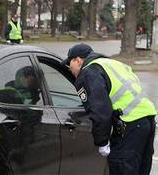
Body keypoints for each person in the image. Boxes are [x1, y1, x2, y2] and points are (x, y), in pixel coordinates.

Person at [62, 43, 157, 175]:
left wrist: (102, 141)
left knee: (122, 168)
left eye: (70, 64)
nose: (70, 69)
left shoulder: (88, 72)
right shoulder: (113, 64)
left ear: (78, 60)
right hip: (148, 120)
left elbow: (100, 110)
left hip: (128, 125)